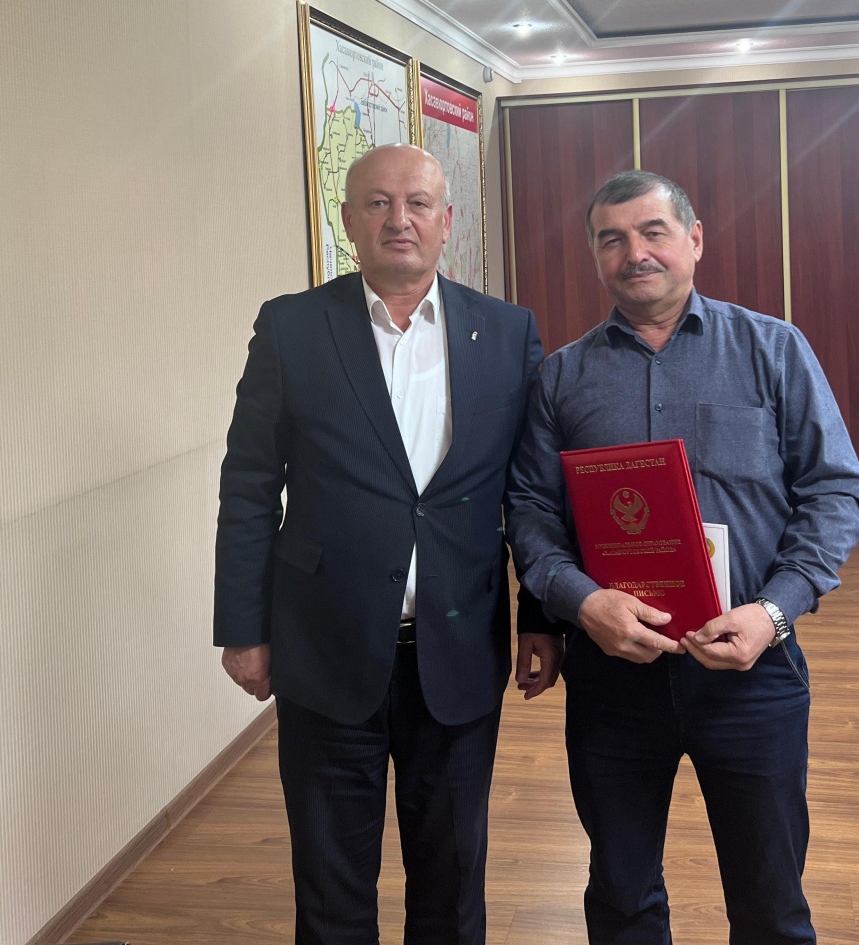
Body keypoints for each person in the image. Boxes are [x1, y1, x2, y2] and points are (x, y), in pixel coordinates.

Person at [505, 170, 859, 945]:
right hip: (612, 676)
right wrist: (579, 601)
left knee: (771, 904)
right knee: (621, 897)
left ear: (694, 240)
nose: (634, 252)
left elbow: (835, 491)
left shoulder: (773, 350)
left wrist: (774, 611)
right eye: (612, 239)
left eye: (653, 232)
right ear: (596, 256)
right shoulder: (561, 376)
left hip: (753, 670)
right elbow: (531, 511)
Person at [214, 143, 562, 945]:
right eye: (377, 202)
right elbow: (249, 485)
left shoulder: (506, 332)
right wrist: (243, 627)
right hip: (324, 649)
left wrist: (541, 619)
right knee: (331, 887)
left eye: (416, 203)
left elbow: (530, 493)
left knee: (452, 881)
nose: (398, 219)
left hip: (459, 650)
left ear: (447, 220)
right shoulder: (292, 327)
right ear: (348, 219)